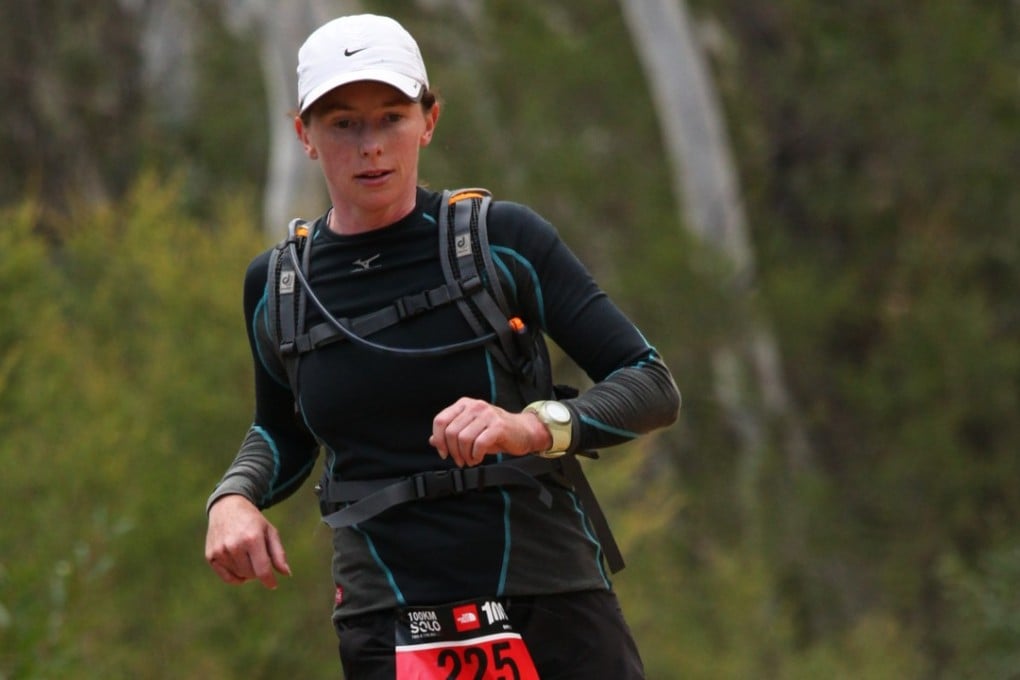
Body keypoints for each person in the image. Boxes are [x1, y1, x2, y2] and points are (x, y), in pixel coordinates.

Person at [204, 13, 680, 679]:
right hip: (388, 619)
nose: (371, 145)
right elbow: (280, 432)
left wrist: (529, 427)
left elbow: (650, 383)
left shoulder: (502, 241)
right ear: (304, 135)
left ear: (428, 121)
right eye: (343, 123)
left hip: (547, 600)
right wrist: (233, 497)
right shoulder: (279, 285)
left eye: (391, 117)